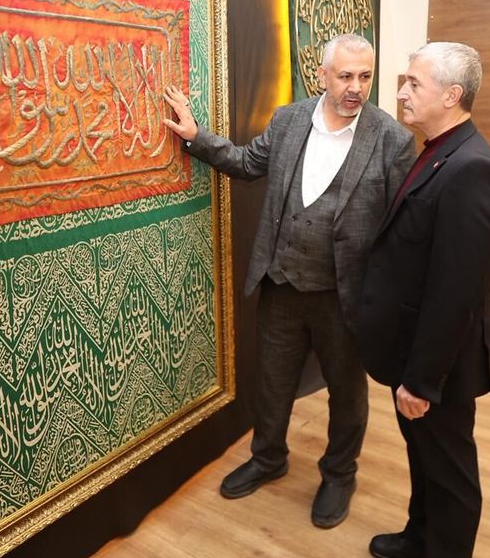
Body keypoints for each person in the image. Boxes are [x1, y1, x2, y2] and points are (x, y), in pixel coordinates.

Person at [162, 33, 415, 528]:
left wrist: (389, 305)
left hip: (344, 296)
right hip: (281, 284)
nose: (356, 87)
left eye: (365, 76)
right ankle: (268, 457)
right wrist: (195, 136)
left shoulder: (392, 140)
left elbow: (399, 231)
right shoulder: (289, 120)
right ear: (321, 75)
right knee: (272, 381)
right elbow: (245, 163)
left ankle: (339, 473)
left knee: (347, 392)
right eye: (345, 76)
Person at [349, 42, 490, 558]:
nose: (401, 92)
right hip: (412, 350)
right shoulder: (439, 150)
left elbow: (455, 293)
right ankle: (419, 537)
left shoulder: (472, 169)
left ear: (451, 95)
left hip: (437, 365)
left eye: (414, 83)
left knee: (449, 475)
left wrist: (421, 381)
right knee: (423, 460)